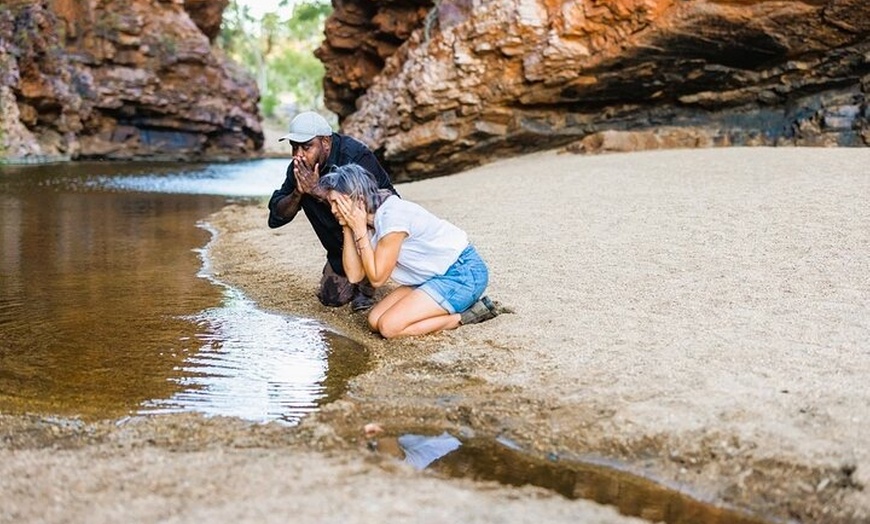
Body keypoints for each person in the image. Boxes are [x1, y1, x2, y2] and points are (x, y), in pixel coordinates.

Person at [318, 163, 498, 339]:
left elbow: (377, 278)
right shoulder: (369, 221)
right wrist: (347, 227)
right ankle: (442, 307)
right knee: (374, 321)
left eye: (336, 203)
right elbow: (355, 276)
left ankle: (467, 316)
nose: (333, 210)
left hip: (462, 273)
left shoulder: (392, 217)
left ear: (357, 198)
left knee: (389, 328)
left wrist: (358, 230)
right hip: (429, 275)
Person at [268, 111, 398, 312]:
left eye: (306, 146)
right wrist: (298, 193)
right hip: (339, 251)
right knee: (331, 298)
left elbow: (380, 209)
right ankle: (347, 270)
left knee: (363, 299)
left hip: (375, 241)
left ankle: (370, 280)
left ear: (326, 143)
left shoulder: (355, 156)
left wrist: (318, 191)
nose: (298, 154)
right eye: (294, 147)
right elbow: (276, 218)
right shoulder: (299, 169)